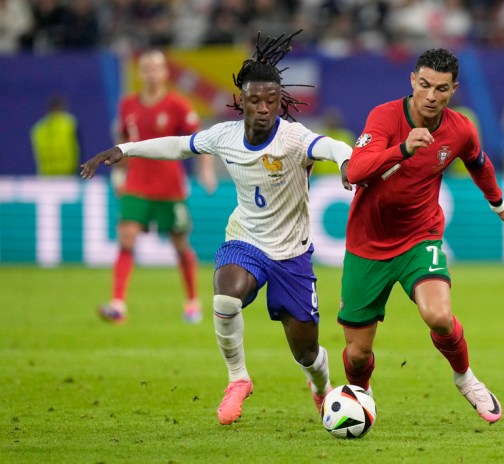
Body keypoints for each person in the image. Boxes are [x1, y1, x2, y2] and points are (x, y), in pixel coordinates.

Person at [81, 31, 353, 425]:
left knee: (306, 353)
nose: (263, 108)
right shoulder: (224, 136)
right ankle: (238, 379)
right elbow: (177, 145)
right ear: (241, 100)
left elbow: (331, 147)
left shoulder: (293, 139)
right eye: (255, 100)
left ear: (280, 102)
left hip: (291, 252)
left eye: (271, 101)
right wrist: (124, 150)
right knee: (225, 298)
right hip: (245, 240)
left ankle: (321, 386)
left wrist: (346, 163)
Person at [339, 48, 504, 424]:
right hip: (367, 245)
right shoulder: (384, 117)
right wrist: (402, 149)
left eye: (441, 88)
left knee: (438, 315)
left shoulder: (460, 129)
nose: (431, 95)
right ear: (412, 81)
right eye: (424, 85)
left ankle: (466, 378)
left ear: (453, 89)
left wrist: (499, 204)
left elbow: (479, 162)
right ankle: (361, 396)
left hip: (420, 237)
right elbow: (355, 171)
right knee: (357, 354)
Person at [98, 49, 217, 325]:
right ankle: (118, 303)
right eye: (146, 68)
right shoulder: (127, 105)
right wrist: (119, 176)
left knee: (179, 243)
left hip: (169, 186)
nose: (151, 73)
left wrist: (206, 170)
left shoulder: (178, 105)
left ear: (165, 73)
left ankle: (192, 301)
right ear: (140, 74)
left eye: (156, 68)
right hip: (136, 183)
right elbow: (122, 143)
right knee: (126, 237)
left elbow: (202, 141)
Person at [30, 95, 81, 176]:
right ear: (62, 107)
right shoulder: (70, 123)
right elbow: (78, 149)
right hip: (68, 174)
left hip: (46, 175)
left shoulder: (39, 128)